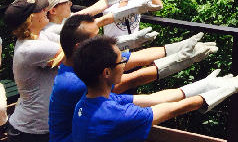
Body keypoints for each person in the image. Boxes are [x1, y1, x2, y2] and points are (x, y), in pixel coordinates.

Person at [49, 15, 217, 142]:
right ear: (79, 47)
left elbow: (135, 58)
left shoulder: (83, 67)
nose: (101, 39)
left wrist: (175, 49)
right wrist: (180, 61)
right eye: (95, 36)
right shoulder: (76, 83)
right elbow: (131, 80)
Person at [71, 36, 238, 142]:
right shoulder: (115, 114)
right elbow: (173, 109)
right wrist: (221, 91)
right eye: (122, 62)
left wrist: (204, 85)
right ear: (106, 72)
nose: (125, 64)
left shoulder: (91, 100)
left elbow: (154, 99)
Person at [3, 0, 61, 141]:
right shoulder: (30, 48)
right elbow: (76, 53)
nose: (45, 10)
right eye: (39, 10)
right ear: (29, 20)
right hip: (31, 132)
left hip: (36, 128)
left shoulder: (37, 37)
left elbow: (71, 36)